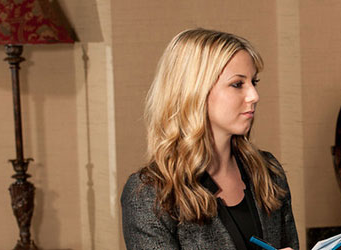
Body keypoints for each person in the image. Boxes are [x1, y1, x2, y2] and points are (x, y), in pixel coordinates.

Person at [121, 28, 297, 250]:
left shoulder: (269, 172)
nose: (254, 96)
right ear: (194, 91)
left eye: (254, 82)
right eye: (237, 84)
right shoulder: (150, 194)